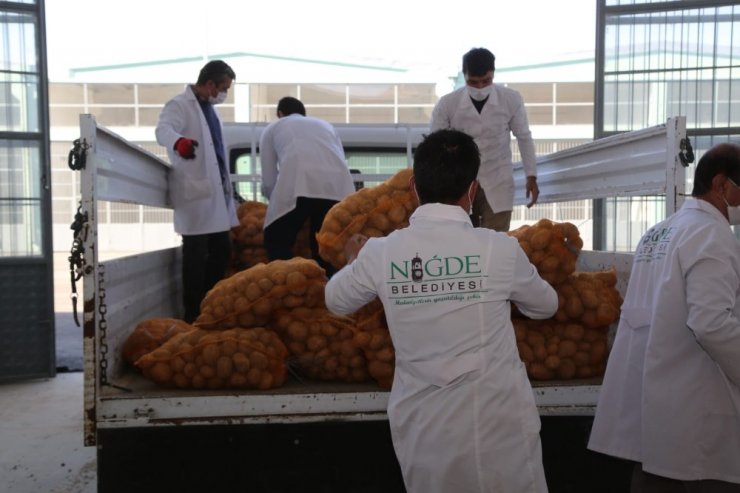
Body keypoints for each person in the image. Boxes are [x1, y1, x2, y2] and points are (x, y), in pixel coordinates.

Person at [324, 129, 558, 493]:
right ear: (472, 191)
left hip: (425, 430)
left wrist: (354, 260)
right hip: (498, 426)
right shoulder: (499, 249)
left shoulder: (381, 253)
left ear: (415, 187)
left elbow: (336, 300)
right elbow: (547, 306)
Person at [588, 143, 740, 492]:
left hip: (656, 408)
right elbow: (711, 323)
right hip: (695, 414)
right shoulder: (712, 235)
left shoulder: (660, 231)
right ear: (721, 185)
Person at [155, 60, 238, 323]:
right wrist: (178, 142)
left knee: (222, 250)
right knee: (195, 255)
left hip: (213, 195)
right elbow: (162, 130)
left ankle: (207, 302)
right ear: (209, 83)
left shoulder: (210, 110)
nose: (223, 94)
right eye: (222, 88)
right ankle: (192, 314)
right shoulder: (179, 105)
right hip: (194, 194)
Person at [431, 47, 539, 232]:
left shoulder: (511, 99)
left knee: (496, 242)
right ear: (463, 76)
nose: (480, 87)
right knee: (460, 239)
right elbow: (434, 145)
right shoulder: (448, 104)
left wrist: (531, 176)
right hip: (460, 182)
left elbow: (524, 137)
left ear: (493, 74)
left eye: (486, 81)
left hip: (499, 180)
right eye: (473, 82)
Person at [259, 96, 355, 276]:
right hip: (337, 189)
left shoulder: (273, 127)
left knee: (276, 240)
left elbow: (269, 178)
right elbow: (340, 157)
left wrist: (275, 203)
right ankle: (329, 292)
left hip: (298, 185)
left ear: (280, 114)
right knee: (323, 246)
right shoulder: (326, 125)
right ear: (304, 114)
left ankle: (289, 282)